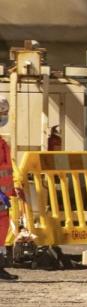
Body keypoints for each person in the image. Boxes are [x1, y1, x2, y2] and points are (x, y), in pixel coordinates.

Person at [0, 97, 17, 281]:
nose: (4, 117)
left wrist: (12, 190)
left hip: (2, 198)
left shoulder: (2, 142)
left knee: (2, 230)